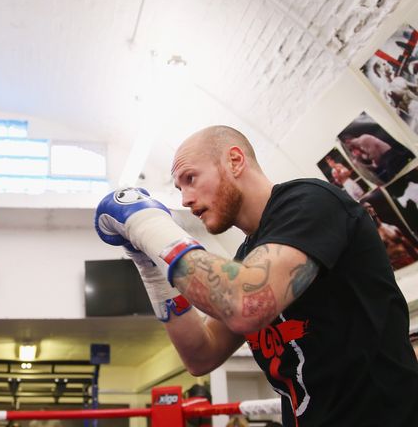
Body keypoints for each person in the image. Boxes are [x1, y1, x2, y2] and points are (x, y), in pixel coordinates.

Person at [95, 125, 418, 426]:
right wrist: (150, 265)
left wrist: (148, 224)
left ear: (235, 161)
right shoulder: (248, 259)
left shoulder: (313, 202)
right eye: (179, 188)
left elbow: (247, 302)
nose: (185, 199)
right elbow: (200, 355)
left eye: (190, 178)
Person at [361, 201, 418, 269]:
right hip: (395, 266)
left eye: (370, 206)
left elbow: (409, 246)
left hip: (408, 258)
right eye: (366, 208)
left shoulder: (392, 227)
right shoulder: (371, 236)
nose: (370, 209)